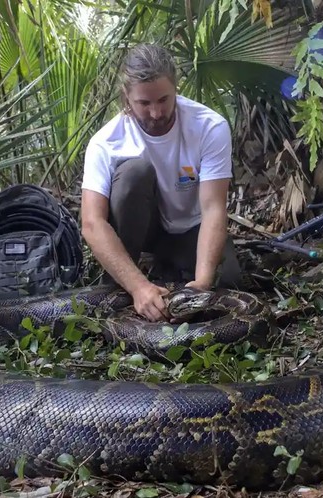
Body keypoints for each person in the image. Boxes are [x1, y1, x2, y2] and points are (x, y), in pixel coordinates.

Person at [81, 44, 242, 322]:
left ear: (176, 89)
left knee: (228, 281)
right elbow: (92, 223)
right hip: (144, 232)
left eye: (164, 100)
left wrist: (201, 285)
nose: (156, 113)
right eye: (144, 103)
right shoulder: (105, 142)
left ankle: (169, 269)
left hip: (190, 228)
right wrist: (137, 287)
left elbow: (214, 209)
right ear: (126, 98)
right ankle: (118, 286)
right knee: (134, 173)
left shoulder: (209, 127)